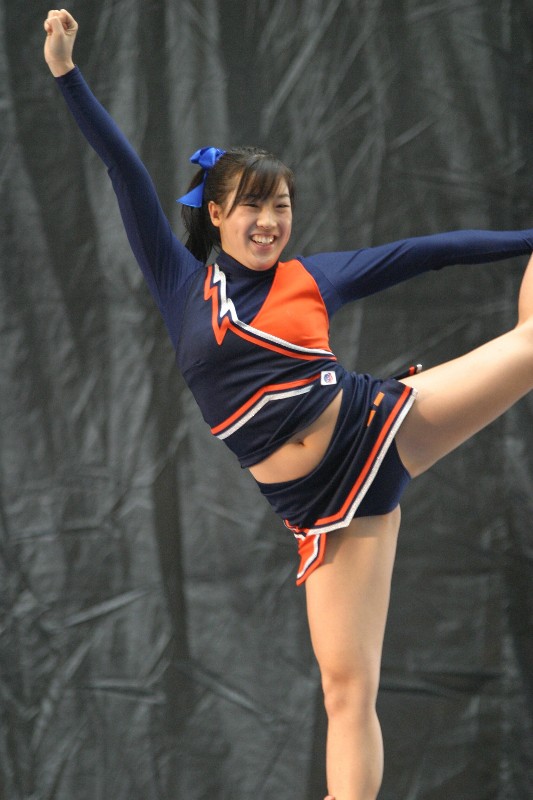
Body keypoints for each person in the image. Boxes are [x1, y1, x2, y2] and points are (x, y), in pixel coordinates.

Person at [43, 10, 533, 800]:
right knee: (347, 692)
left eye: (281, 207)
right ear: (216, 215)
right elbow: (123, 170)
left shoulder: (313, 278)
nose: (269, 222)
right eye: (251, 207)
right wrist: (67, 73)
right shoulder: (181, 287)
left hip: (376, 430)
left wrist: (524, 238)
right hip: (316, 509)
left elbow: (427, 253)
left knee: (530, 345)